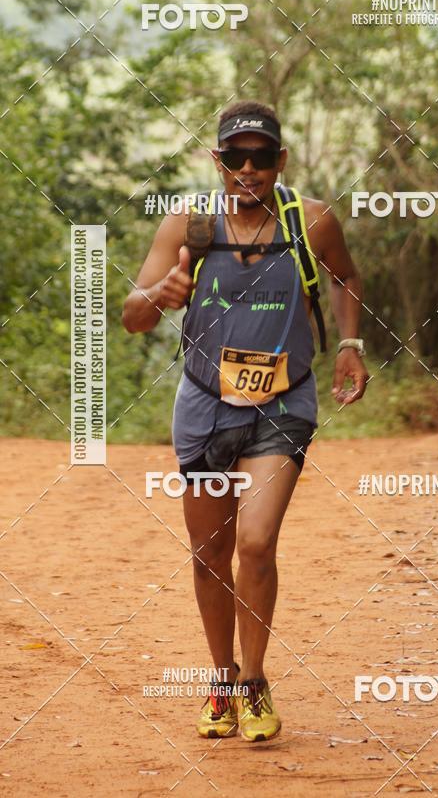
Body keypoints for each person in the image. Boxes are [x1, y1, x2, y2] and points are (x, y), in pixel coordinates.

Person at [122, 100, 368, 742]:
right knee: (210, 554)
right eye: (236, 157)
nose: (249, 168)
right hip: (205, 404)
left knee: (255, 543)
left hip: (283, 403)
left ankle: (255, 682)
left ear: (281, 160)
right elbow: (132, 315)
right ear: (219, 161)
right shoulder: (190, 226)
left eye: (262, 156)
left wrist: (349, 344)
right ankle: (222, 680)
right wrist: (160, 295)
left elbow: (346, 279)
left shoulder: (312, 221)